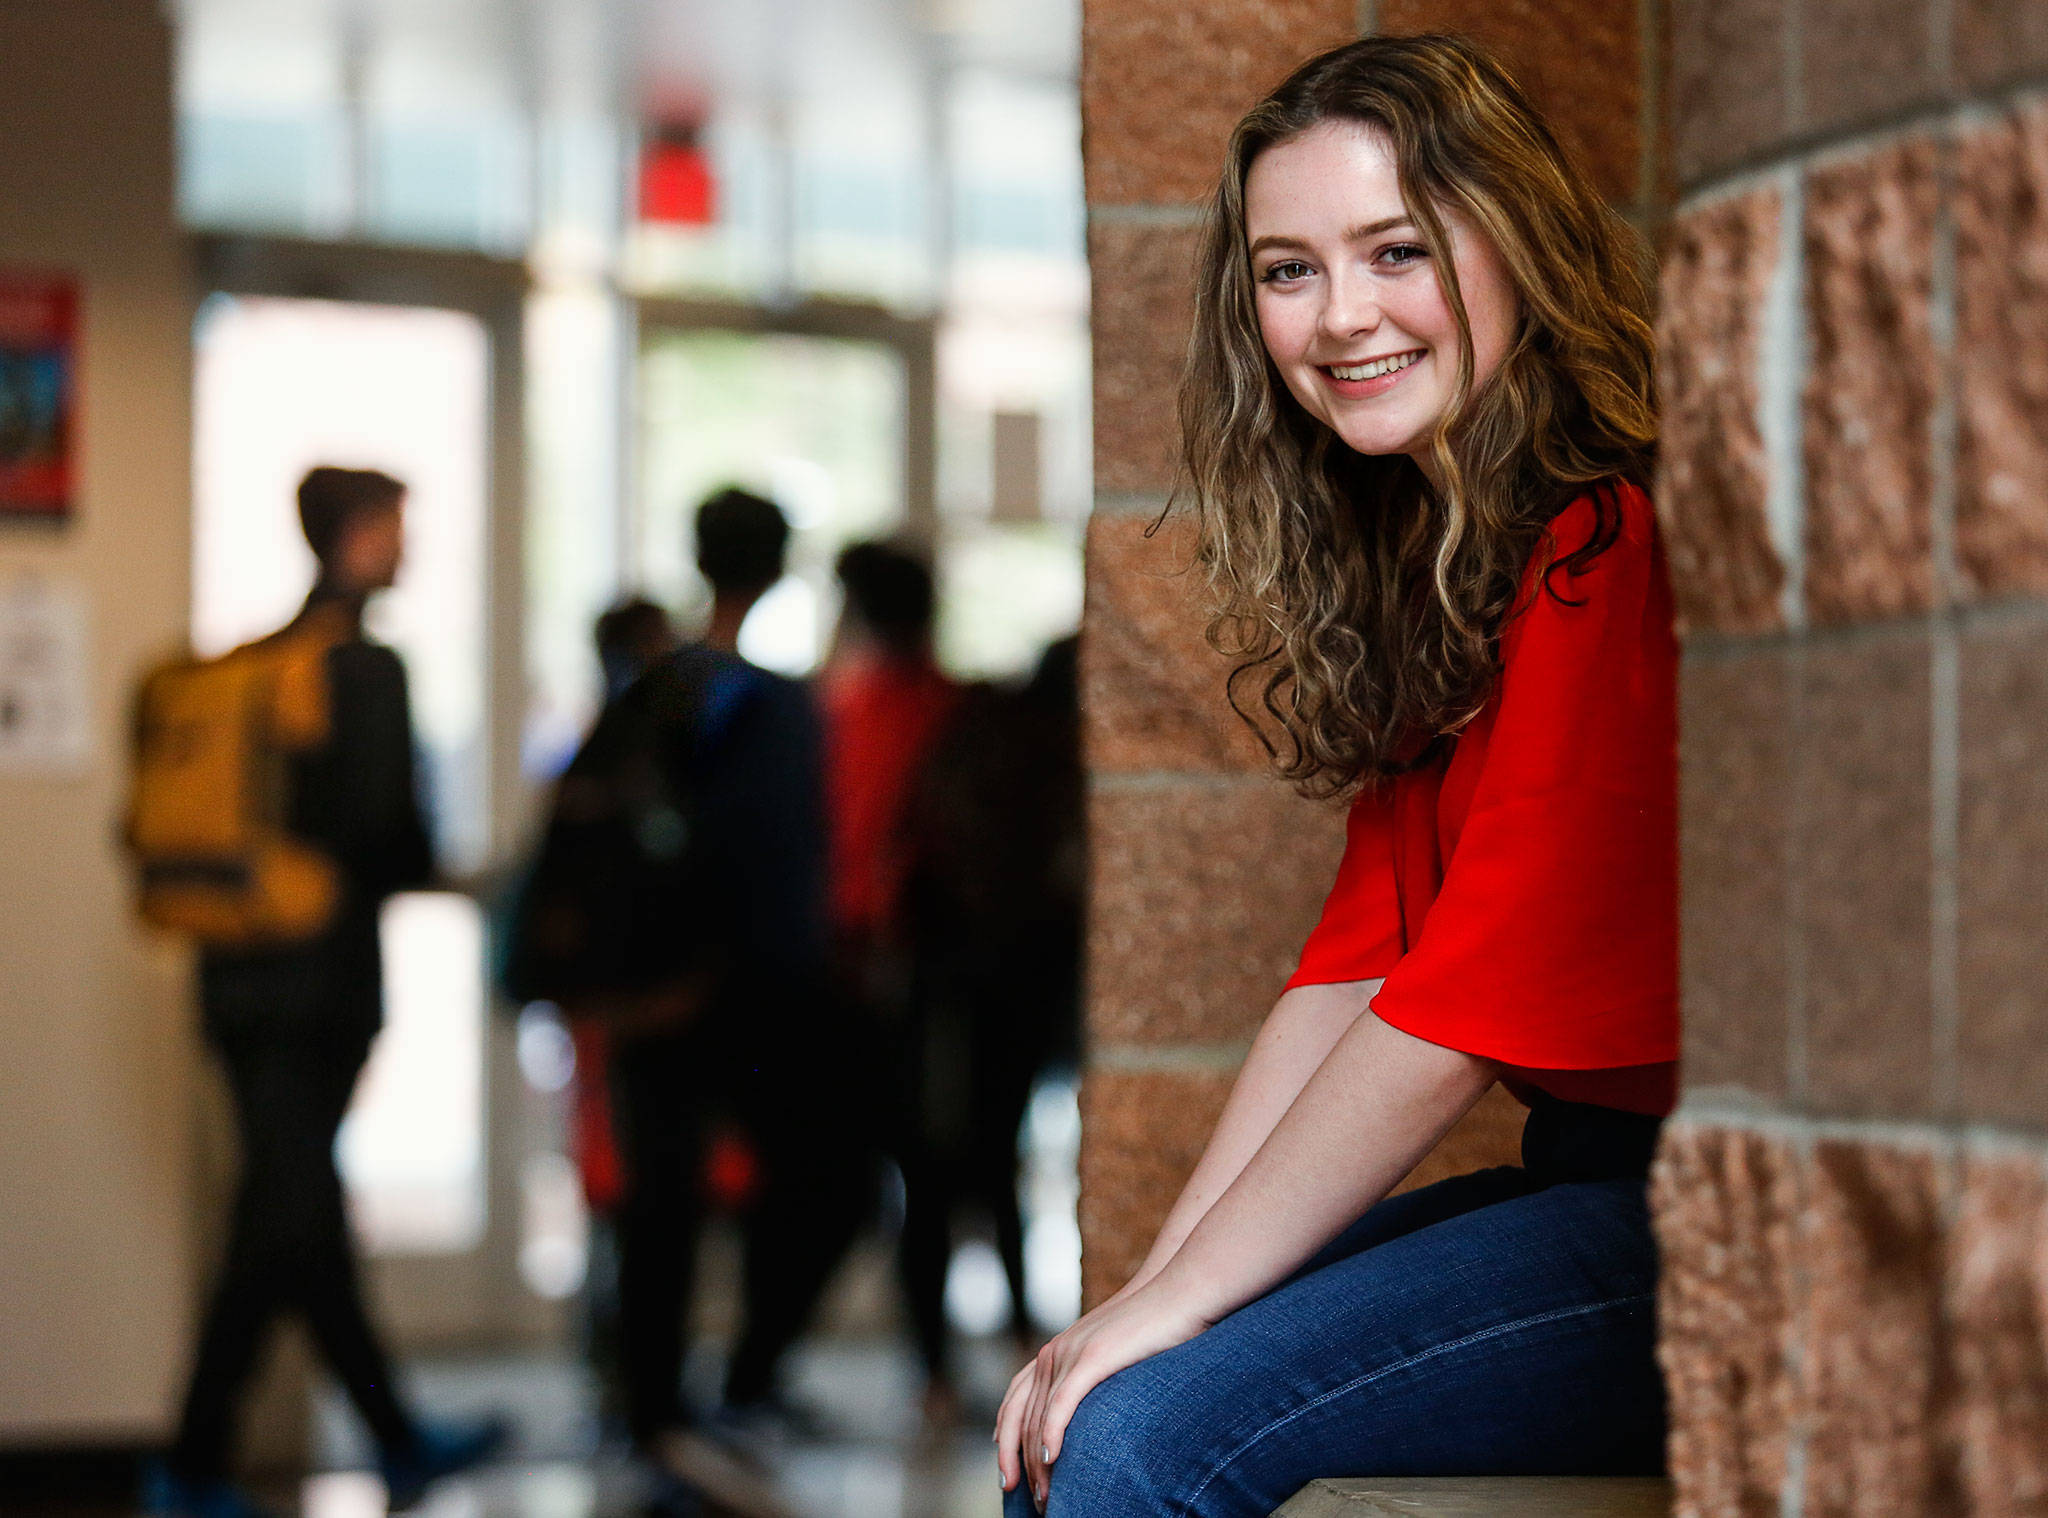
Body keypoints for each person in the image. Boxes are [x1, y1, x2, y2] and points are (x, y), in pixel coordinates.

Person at [996, 34, 1672, 1515]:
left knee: (1134, 1443)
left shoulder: (1604, 552)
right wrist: (1147, 1293)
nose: (1341, 315)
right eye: (1287, 269)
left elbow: (1452, 1014)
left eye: (1397, 250)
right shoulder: (1454, 573)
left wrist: (1163, 1320)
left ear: (1517, 248)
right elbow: (1351, 971)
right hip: (1588, 1186)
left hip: (1692, 1219)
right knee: (1078, 1415)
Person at [149, 467, 504, 1518]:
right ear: (355, 536)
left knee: (292, 1209)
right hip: (319, 989)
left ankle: (391, 1437)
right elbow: (392, 839)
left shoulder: (254, 665)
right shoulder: (365, 670)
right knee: (285, 1218)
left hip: (230, 981)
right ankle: (192, 1459)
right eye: (397, 528)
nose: (408, 550)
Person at [594, 489, 865, 1516]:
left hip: (646, 1001)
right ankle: (744, 1382)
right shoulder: (774, 703)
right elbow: (782, 866)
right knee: (827, 1182)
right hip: (750, 1000)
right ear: (781, 566)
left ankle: (654, 1421)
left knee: (656, 1214)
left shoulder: (649, 686)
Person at [815, 541, 967, 1417]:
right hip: (946, 974)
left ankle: (750, 1379)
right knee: (937, 1173)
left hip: (861, 971)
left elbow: (838, 857)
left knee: (856, 1175)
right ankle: (936, 1370)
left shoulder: (838, 711)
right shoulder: (956, 707)